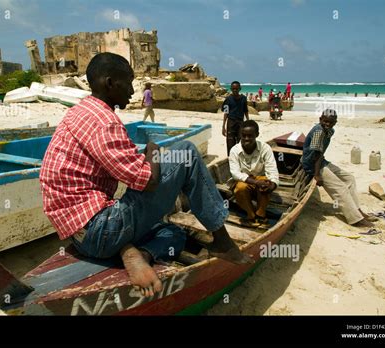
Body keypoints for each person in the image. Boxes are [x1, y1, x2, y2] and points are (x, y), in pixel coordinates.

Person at [39, 53, 250, 298]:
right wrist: (153, 150)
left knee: (175, 232)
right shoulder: (105, 122)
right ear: (109, 83)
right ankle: (223, 243)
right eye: (128, 82)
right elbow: (148, 181)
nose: (132, 90)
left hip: (79, 237)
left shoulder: (78, 113)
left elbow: (121, 162)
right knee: (187, 153)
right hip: (102, 228)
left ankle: (135, 253)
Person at [302, 109, 378, 227]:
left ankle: (357, 210)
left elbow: (320, 153)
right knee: (340, 188)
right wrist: (317, 175)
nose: (327, 124)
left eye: (331, 122)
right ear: (320, 119)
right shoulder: (318, 131)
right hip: (312, 163)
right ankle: (355, 219)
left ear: (335, 123)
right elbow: (315, 154)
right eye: (325, 121)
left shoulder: (330, 131)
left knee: (349, 178)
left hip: (321, 161)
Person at [229, 120, 279, 227]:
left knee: (266, 183)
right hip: (245, 182)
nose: (246, 139)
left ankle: (261, 214)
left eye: (250, 136)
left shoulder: (265, 148)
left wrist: (272, 185)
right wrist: (256, 182)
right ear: (240, 135)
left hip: (260, 181)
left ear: (257, 135)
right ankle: (251, 214)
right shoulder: (234, 151)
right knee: (240, 188)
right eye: (244, 136)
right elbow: (235, 174)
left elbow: (272, 171)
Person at [222, 81, 249, 156]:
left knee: (241, 142)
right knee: (230, 142)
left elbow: (245, 111)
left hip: (240, 123)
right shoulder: (228, 99)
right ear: (231, 89)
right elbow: (226, 113)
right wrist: (223, 126)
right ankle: (231, 158)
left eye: (236, 89)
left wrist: (248, 122)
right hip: (231, 123)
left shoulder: (243, 98)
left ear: (240, 88)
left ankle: (240, 158)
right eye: (233, 89)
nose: (235, 90)